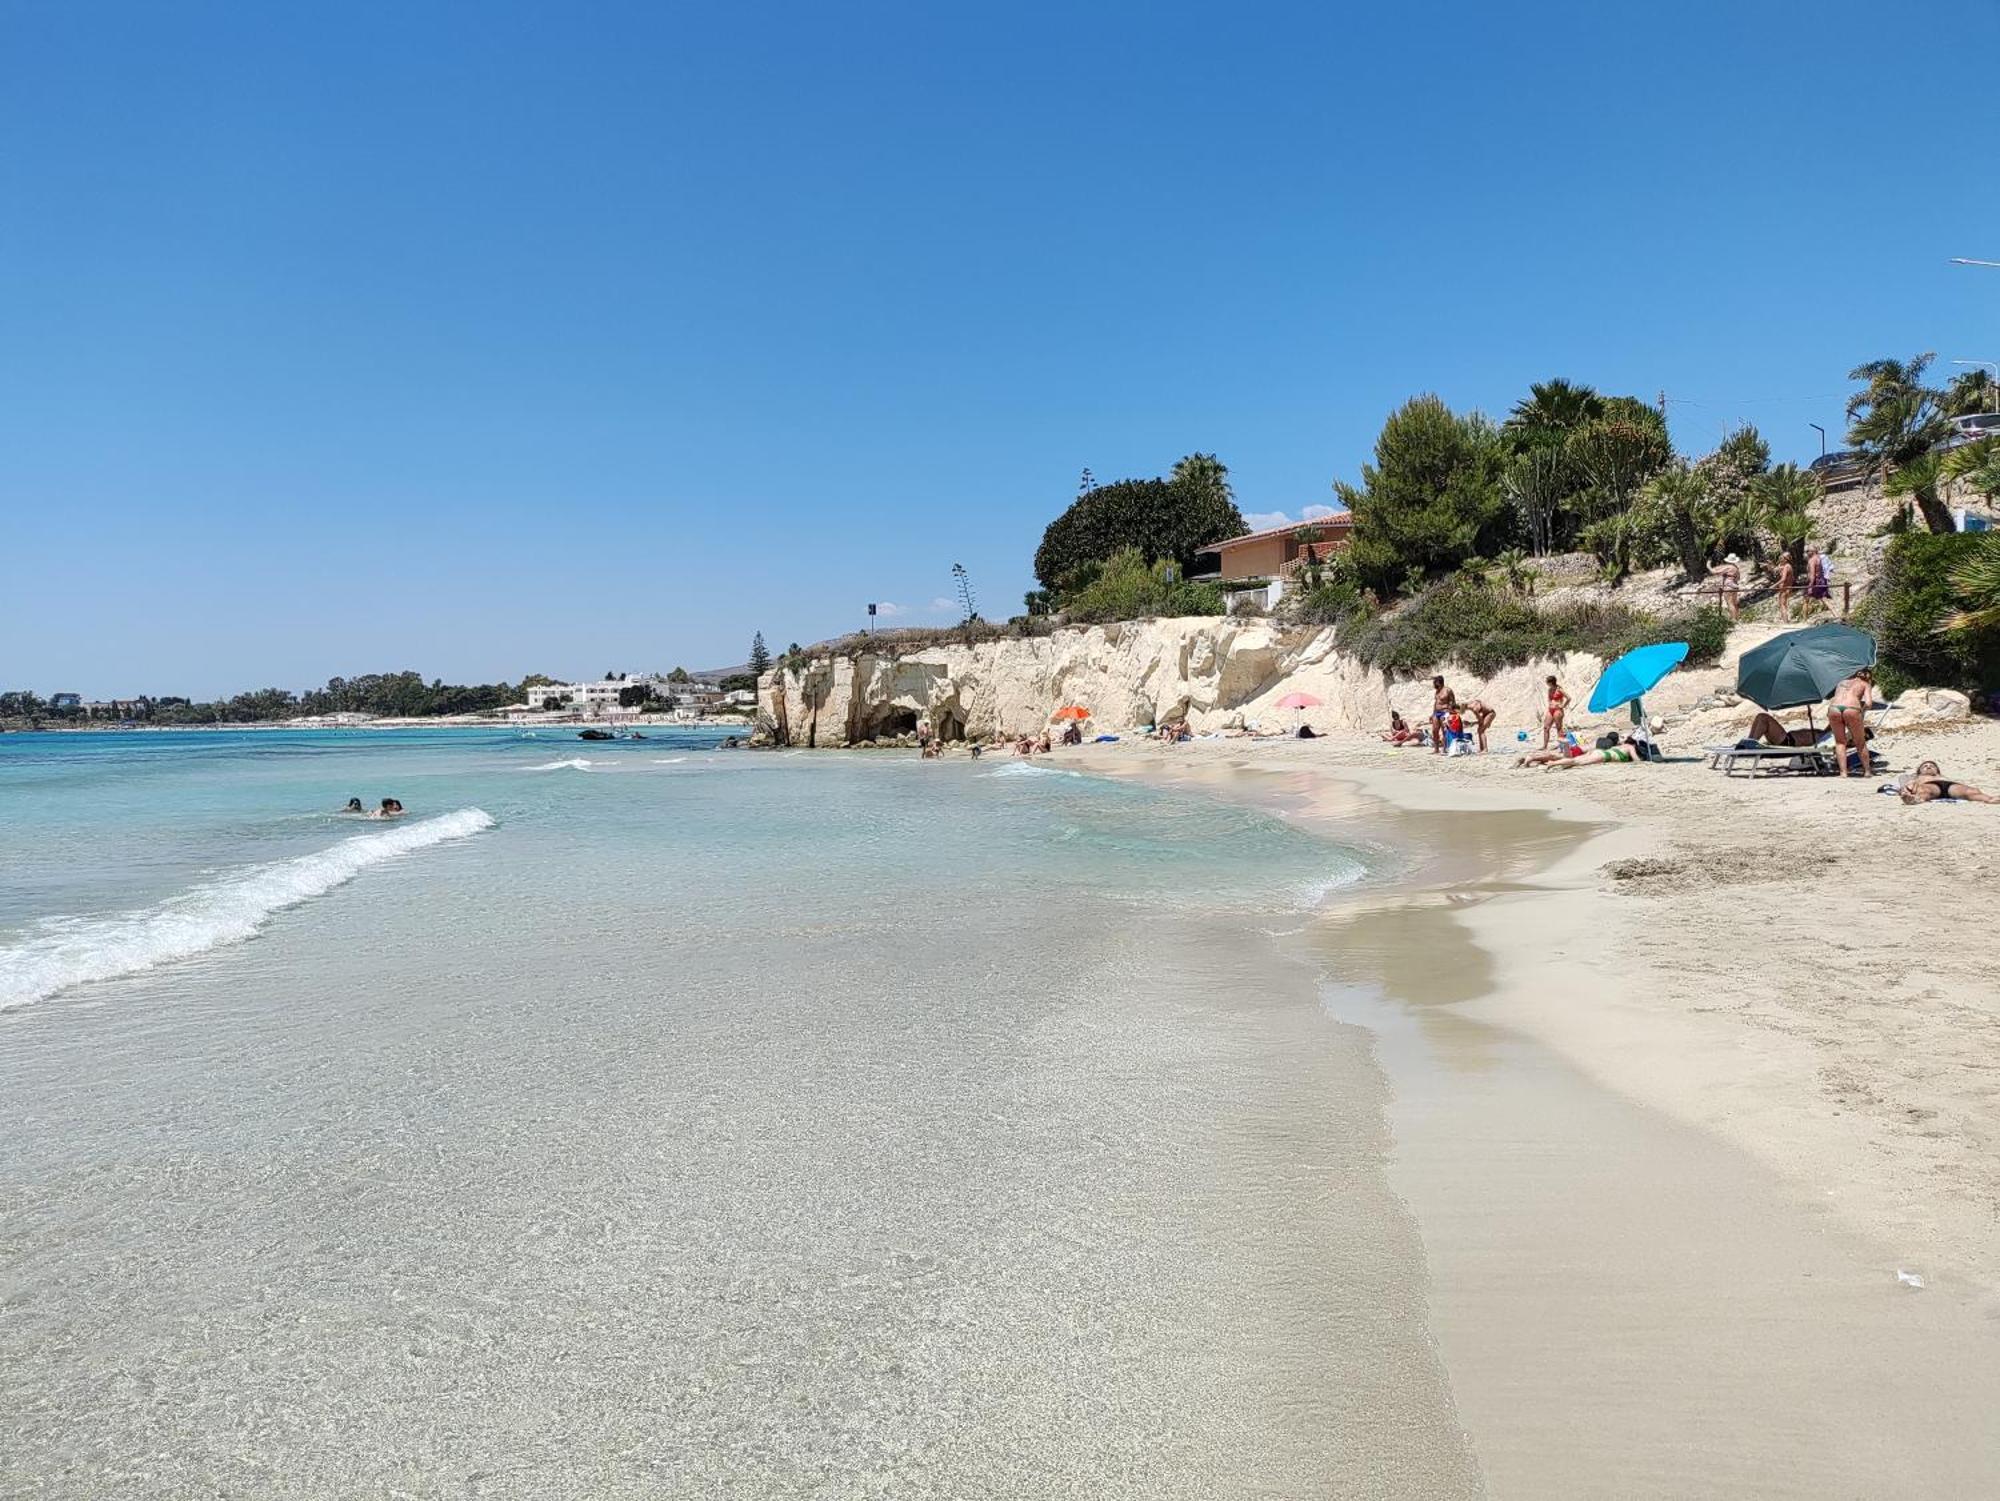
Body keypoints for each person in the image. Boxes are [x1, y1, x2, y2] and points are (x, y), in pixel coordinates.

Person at [1827, 666, 1874, 778]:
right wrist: (1861, 711)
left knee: (1840, 742)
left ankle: (1843, 773)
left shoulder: (1841, 682)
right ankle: (1867, 771)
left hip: (1834, 708)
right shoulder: (1865, 684)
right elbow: (1868, 703)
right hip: (1852, 709)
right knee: (1860, 742)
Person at [1898, 760, 1999, 805]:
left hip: (1949, 785)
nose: (1928, 766)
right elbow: (1904, 782)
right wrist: (1908, 787)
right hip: (1931, 786)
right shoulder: (1916, 777)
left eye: (1932, 766)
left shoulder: (1942, 776)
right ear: (1919, 771)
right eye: (1925, 766)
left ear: (1937, 770)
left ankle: (1990, 799)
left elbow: (1959, 783)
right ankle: (1916, 799)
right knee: (1925, 791)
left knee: (1971, 791)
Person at [1544, 735, 1640, 769]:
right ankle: (1552, 763)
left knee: (1570, 762)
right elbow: (1636, 760)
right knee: (1576, 762)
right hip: (1603, 755)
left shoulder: (1619, 746)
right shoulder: (1630, 747)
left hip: (1597, 752)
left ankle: (1564, 748)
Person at [1746, 712, 1820, 749]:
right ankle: (1749, 741)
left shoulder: (1824, 736)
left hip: (1787, 742)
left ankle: (1750, 743)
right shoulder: (1823, 734)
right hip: (1786, 739)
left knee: (1763, 717)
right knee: (1760, 716)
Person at [1429, 676, 1458, 756]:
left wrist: (1450, 711)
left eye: (1435, 682)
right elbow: (1436, 703)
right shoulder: (1437, 691)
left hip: (1445, 711)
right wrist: (1432, 714)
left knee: (1444, 731)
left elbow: (1453, 702)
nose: (1434, 684)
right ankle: (1436, 749)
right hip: (1436, 712)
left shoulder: (1448, 690)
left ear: (1439, 681)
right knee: (1434, 731)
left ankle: (1444, 749)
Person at [1540, 677, 1568, 749]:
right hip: (1550, 710)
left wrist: (1562, 706)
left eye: (1547, 682)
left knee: (1559, 728)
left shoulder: (1559, 689)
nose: (1546, 683)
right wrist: (1550, 704)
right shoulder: (1549, 689)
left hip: (1558, 710)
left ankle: (1561, 746)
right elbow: (1549, 699)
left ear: (1551, 682)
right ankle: (1545, 746)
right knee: (1546, 727)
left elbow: (1569, 698)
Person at [1715, 554, 1742, 621]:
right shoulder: (1736, 568)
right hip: (1735, 586)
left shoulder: (1729, 567)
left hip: (1728, 586)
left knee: (1730, 603)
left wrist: (1708, 566)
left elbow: (1715, 572)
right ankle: (1737, 617)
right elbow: (1738, 578)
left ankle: (1733, 619)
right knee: (1735, 603)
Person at [1805, 547, 1831, 614]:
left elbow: (1812, 574)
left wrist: (1810, 586)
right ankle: (1836, 614)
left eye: (1808, 551)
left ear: (1812, 551)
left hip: (1815, 582)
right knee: (1823, 598)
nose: (1806, 553)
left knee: (1806, 598)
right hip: (1822, 580)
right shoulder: (1819, 558)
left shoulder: (1812, 560)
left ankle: (1804, 619)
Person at [1774, 554, 1796, 621]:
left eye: (1781, 558)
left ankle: (1785, 621)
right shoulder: (1788, 566)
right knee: (1784, 604)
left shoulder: (1786, 567)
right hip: (1787, 588)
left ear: (1785, 559)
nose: (1780, 559)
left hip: (1785, 588)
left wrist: (1774, 585)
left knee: (1782, 605)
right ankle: (1785, 620)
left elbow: (1783, 579)